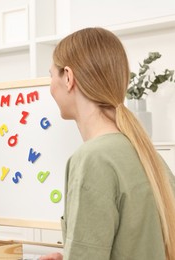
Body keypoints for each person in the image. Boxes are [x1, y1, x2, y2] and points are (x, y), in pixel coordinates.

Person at [40, 27, 175, 260]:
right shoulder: (149, 156)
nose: (50, 84)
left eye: (51, 75)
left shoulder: (93, 159)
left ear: (69, 78)